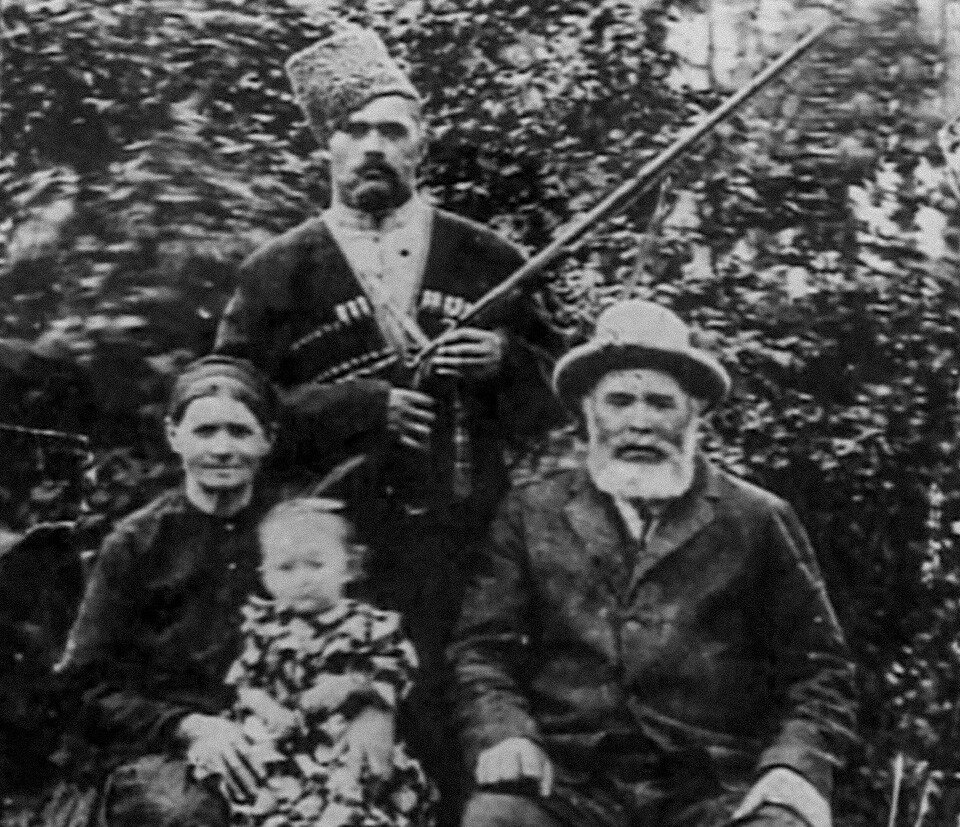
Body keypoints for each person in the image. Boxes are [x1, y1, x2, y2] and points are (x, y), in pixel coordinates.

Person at [213, 22, 558, 818]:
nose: (372, 145)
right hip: (326, 562)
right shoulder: (275, 271)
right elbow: (228, 408)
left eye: (391, 129)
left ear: (421, 145)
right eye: (353, 129)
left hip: (469, 543)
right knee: (331, 753)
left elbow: (556, 397)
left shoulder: (489, 258)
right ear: (327, 148)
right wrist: (353, 406)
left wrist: (505, 361)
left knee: (451, 727)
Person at [449, 299, 857, 827]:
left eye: (660, 403)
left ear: (694, 412)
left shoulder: (757, 518)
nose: (639, 422)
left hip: (714, 787)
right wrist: (505, 732)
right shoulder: (532, 512)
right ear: (588, 412)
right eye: (619, 401)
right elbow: (481, 651)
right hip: (570, 781)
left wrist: (794, 767)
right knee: (496, 819)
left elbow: (821, 673)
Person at [48, 356, 280, 827]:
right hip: (162, 749)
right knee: (186, 811)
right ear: (174, 435)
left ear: (267, 439)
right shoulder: (136, 545)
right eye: (205, 431)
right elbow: (86, 687)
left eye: (239, 432)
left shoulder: (293, 531)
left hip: (277, 731)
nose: (222, 449)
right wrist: (188, 728)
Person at [194, 497, 434, 827]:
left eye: (315, 565)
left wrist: (352, 685)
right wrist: (269, 709)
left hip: (344, 739)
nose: (302, 579)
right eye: (286, 568)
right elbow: (246, 683)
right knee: (263, 800)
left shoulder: (369, 625)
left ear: (350, 566)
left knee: (353, 805)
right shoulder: (264, 626)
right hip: (282, 742)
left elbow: (395, 671)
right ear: (265, 577)